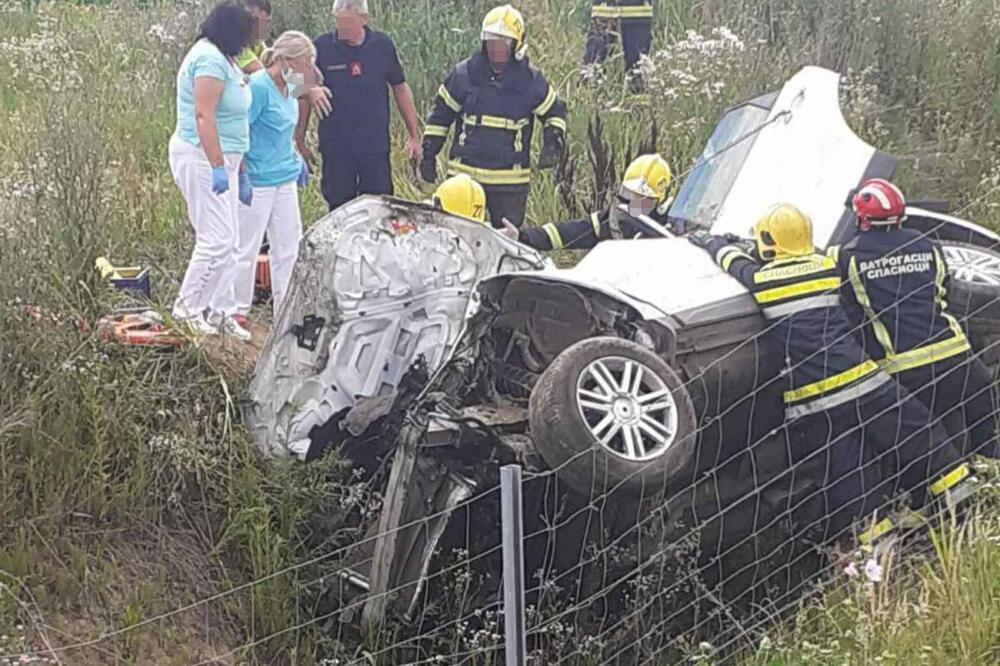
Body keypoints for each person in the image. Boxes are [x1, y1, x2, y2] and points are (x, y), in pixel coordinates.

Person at [688, 205, 959, 544]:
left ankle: (879, 544)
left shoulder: (762, 281)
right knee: (919, 434)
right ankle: (960, 499)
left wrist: (710, 241)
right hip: (864, 384)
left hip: (814, 404)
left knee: (849, 472)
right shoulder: (826, 268)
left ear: (769, 241)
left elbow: (733, 262)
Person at [830, 178, 997, 464]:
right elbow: (944, 288)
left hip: (903, 368)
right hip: (956, 357)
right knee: (984, 419)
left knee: (917, 445)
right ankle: (987, 468)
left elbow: (844, 307)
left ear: (863, 219)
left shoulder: (845, 256)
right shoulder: (928, 246)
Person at [420, 4, 568, 229]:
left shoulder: (530, 81)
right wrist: (429, 152)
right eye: (491, 43)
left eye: (502, 44)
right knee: (456, 235)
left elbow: (555, 112)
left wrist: (552, 142)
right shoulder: (464, 75)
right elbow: (440, 116)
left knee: (504, 242)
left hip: (509, 184)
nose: (495, 50)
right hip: (464, 180)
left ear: (516, 46)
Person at [169, 2, 254, 339]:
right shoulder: (208, 59)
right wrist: (218, 165)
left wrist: (240, 170)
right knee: (214, 240)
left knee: (231, 242)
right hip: (202, 158)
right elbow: (204, 116)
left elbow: (238, 120)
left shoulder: (228, 61)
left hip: (228, 161)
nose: (249, 43)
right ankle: (186, 309)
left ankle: (219, 310)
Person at [299, 0, 422, 212]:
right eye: (338, 22)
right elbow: (293, 87)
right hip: (336, 149)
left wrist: (414, 135)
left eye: (347, 23)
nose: (341, 29)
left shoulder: (382, 46)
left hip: (374, 148)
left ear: (364, 19)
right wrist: (309, 92)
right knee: (339, 210)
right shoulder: (321, 47)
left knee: (379, 207)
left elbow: (400, 88)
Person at [233, 32, 315, 326]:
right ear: (285, 60)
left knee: (289, 246)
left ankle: (285, 311)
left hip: (284, 176)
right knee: (247, 246)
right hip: (258, 178)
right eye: (305, 63)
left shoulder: (291, 84)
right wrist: (240, 173)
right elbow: (240, 131)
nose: (308, 70)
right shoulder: (259, 88)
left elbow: (294, 116)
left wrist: (296, 154)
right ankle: (236, 311)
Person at [506, 153, 673, 250]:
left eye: (642, 200)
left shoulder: (673, 227)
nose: (632, 204)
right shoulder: (610, 220)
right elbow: (565, 233)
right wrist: (522, 237)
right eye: (628, 194)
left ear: (659, 202)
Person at [582, 0, 654, 92]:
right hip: (606, 10)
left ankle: (638, 99)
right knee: (593, 69)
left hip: (636, 12)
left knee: (638, 70)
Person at [236, 0, 271, 74]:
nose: (264, 26)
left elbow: (273, 61)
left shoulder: (257, 42)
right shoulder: (236, 42)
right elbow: (267, 75)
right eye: (256, 20)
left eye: (266, 22)